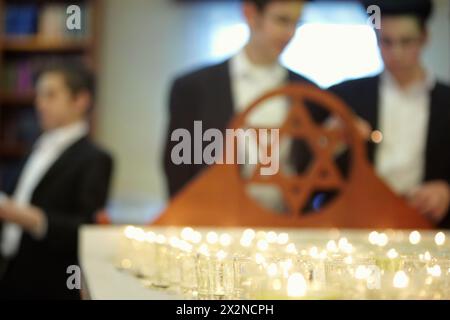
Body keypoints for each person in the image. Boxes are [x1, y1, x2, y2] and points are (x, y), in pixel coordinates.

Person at [163, 0, 315, 199]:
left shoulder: (308, 93)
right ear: (250, 13)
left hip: (289, 223)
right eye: (281, 20)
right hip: (215, 221)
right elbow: (178, 168)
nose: (290, 33)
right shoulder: (194, 88)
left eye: (297, 23)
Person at [330, 0, 450, 228]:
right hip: (358, 225)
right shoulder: (345, 97)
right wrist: (332, 138)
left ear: (424, 38)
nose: (396, 53)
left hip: (429, 225)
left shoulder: (447, 102)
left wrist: (447, 190)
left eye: (406, 42)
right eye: (387, 42)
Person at [0, 61, 114, 299]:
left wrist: (21, 215)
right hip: (10, 271)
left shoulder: (95, 159)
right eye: (39, 95)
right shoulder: (37, 145)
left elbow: (84, 230)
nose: (39, 104)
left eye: (50, 95)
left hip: (48, 283)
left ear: (80, 100)